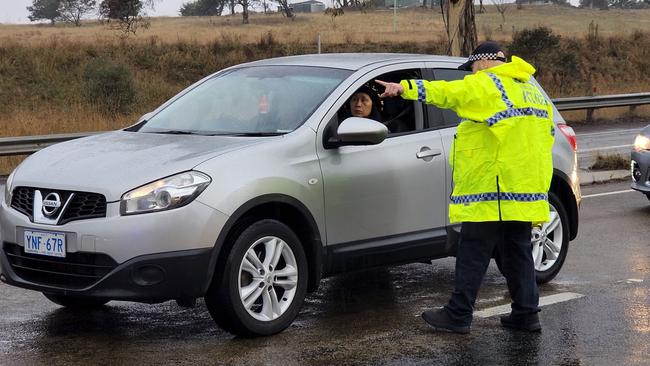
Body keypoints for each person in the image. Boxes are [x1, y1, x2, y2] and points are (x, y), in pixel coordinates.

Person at [376, 41, 555, 334]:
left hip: (493, 189)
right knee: (517, 252)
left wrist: (404, 88)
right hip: (523, 188)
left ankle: (458, 314)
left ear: (482, 63)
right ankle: (526, 313)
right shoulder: (532, 91)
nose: (470, 74)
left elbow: (448, 92)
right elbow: (546, 137)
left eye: (471, 68)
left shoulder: (488, 84)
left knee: (472, 250)